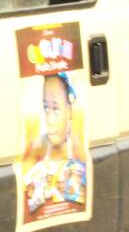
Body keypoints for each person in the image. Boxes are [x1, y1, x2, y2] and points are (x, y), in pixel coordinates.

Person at [20, 73, 87, 218]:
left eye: (56, 109)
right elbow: (22, 185)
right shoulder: (39, 145)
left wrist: (78, 187)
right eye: (46, 108)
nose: (49, 120)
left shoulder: (75, 144)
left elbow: (86, 184)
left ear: (69, 111)